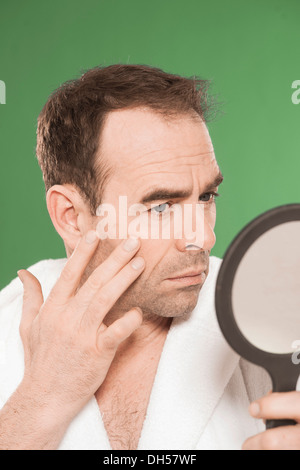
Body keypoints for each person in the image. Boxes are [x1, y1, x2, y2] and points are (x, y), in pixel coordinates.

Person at [0, 64, 299, 450]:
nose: (203, 238)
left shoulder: (277, 321)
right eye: (161, 207)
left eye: (206, 197)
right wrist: (42, 399)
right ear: (71, 217)